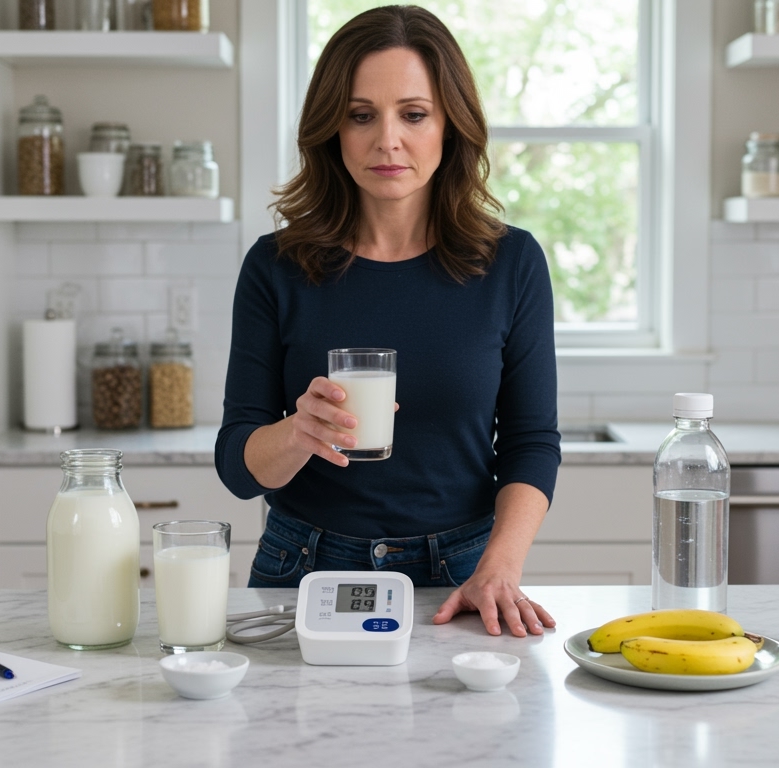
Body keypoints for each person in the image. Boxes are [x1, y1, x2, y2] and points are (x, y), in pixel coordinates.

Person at [215, 5, 560, 638]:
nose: (388, 140)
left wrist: (499, 568)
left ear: (450, 124)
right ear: (332, 129)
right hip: (303, 568)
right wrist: (299, 432)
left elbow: (531, 442)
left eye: (414, 114)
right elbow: (238, 469)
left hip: (463, 575)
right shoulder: (275, 266)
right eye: (361, 115)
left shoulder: (511, 262)